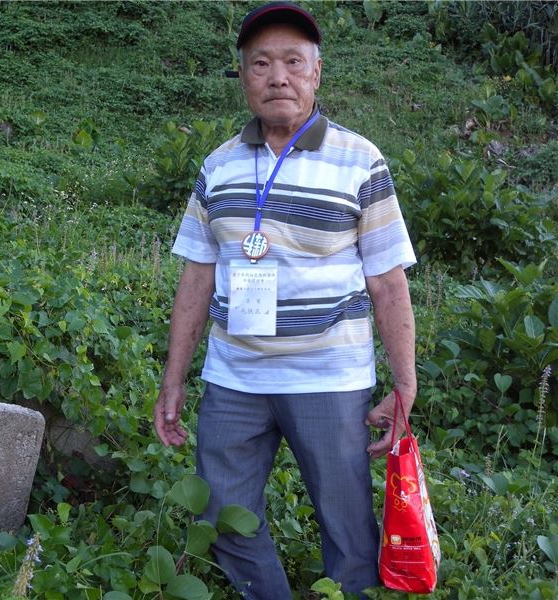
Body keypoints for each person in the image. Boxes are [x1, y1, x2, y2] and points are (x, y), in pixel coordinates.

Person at [153, 2, 418, 598]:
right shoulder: (218, 166)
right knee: (222, 512)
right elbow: (196, 278)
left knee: (347, 528)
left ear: (316, 72)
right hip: (235, 376)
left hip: (329, 377)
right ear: (243, 77)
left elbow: (387, 281)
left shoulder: (360, 160)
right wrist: (174, 378)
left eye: (293, 62)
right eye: (261, 64)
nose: (278, 77)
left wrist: (404, 383)